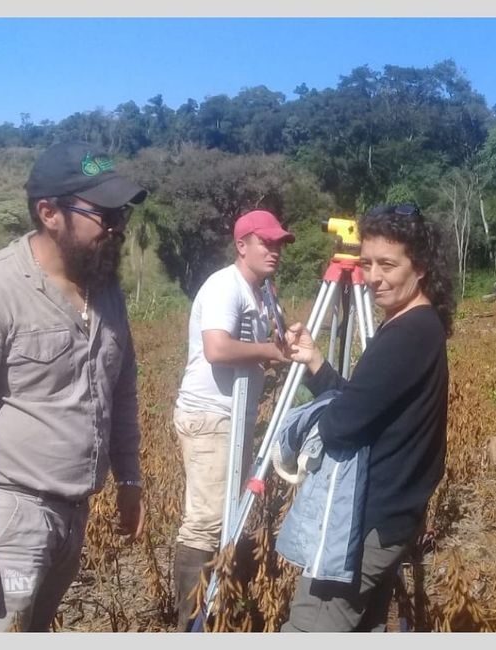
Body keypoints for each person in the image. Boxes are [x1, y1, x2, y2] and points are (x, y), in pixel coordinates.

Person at [0, 141, 148, 632]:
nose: (117, 227)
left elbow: (121, 391)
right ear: (49, 213)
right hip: (7, 518)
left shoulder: (106, 292)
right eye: (104, 214)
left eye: (121, 213)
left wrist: (128, 479)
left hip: (72, 516)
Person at [279, 203, 455, 632]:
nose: (373, 276)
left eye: (387, 265)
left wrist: (311, 423)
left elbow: (343, 424)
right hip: (388, 518)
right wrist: (317, 364)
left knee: (312, 628)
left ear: (421, 267)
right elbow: (366, 404)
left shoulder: (406, 335)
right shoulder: (420, 326)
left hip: (365, 523)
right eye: (367, 263)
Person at [171, 209, 294, 631]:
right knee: (205, 523)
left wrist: (279, 347)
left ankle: (219, 609)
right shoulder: (226, 286)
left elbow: (256, 350)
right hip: (211, 417)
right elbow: (218, 349)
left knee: (226, 518)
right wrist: (270, 351)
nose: (275, 251)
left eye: (278, 244)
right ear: (242, 245)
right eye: (266, 242)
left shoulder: (261, 292)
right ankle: (192, 623)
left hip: (232, 418)